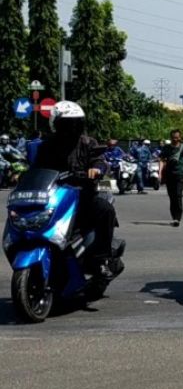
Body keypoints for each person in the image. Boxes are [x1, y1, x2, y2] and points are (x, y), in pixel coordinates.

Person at [35, 101, 120, 279]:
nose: (71, 128)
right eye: (66, 124)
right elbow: (37, 167)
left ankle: (102, 260)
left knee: (106, 210)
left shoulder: (88, 142)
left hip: (81, 195)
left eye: (75, 123)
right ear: (56, 124)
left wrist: (96, 169)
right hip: (53, 196)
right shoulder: (47, 145)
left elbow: (100, 159)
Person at [159, 129, 183, 227]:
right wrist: (160, 173)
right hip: (169, 174)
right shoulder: (166, 148)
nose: (175, 139)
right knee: (172, 197)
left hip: (180, 174)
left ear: (180, 137)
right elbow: (162, 160)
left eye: (177, 137)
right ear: (170, 138)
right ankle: (174, 217)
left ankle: (177, 218)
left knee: (178, 195)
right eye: (173, 137)